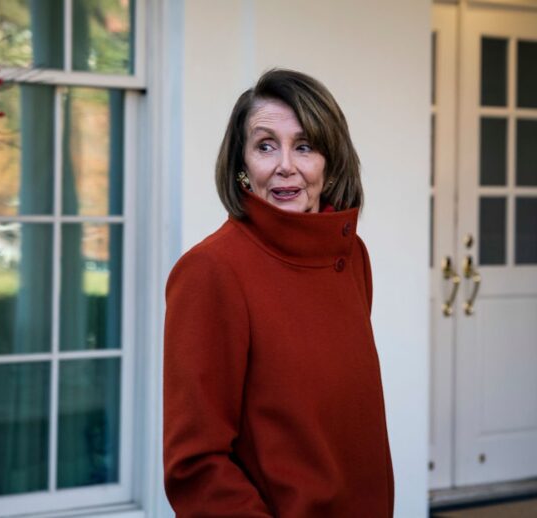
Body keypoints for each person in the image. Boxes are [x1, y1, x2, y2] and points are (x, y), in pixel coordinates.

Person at [163, 69, 393, 517]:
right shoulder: (212, 271)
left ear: (330, 163)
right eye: (265, 145)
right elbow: (197, 465)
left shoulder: (351, 255)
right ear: (242, 167)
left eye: (304, 146)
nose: (285, 164)